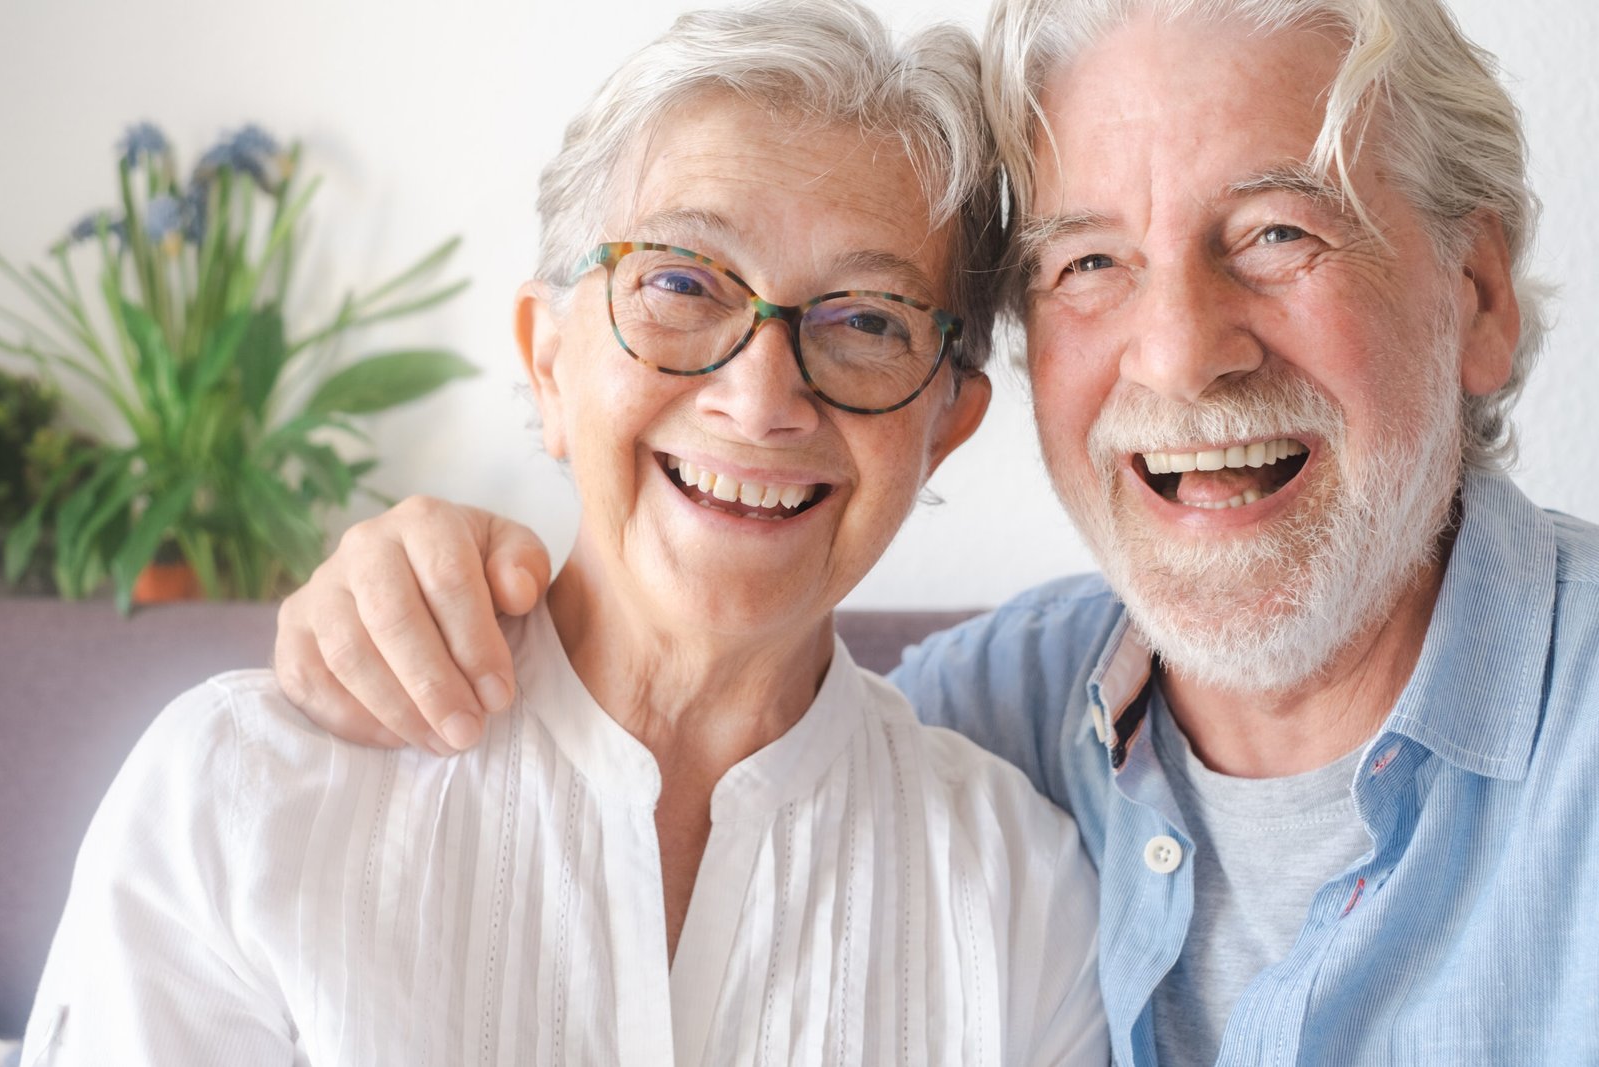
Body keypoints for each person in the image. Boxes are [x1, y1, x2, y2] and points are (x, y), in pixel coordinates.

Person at [270, 0, 1599, 1062]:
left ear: (1478, 298)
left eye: (1275, 232)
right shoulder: (991, 723)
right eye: (1090, 261)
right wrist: (410, 587)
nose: (1180, 354)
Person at [22, 4, 1111, 1064]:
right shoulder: (241, 797)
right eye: (681, 281)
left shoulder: (1024, 898)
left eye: (868, 318)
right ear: (548, 363)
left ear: (943, 428)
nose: (760, 398)